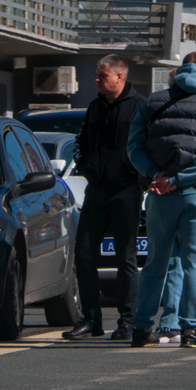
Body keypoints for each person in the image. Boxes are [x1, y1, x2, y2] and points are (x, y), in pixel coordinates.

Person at [128, 51, 196, 348]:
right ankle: (190, 331)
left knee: (156, 263)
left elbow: (133, 148)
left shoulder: (151, 103)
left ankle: (142, 328)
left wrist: (157, 176)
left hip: (159, 197)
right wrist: (179, 179)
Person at [62, 55, 146, 340]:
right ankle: (90, 321)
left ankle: (127, 322)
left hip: (126, 190)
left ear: (119, 78)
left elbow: (148, 146)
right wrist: (84, 165)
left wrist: (137, 177)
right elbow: (80, 141)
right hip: (96, 190)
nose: (96, 80)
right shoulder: (95, 106)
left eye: (102, 76)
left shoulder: (139, 107)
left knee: (125, 258)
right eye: (97, 76)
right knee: (83, 253)